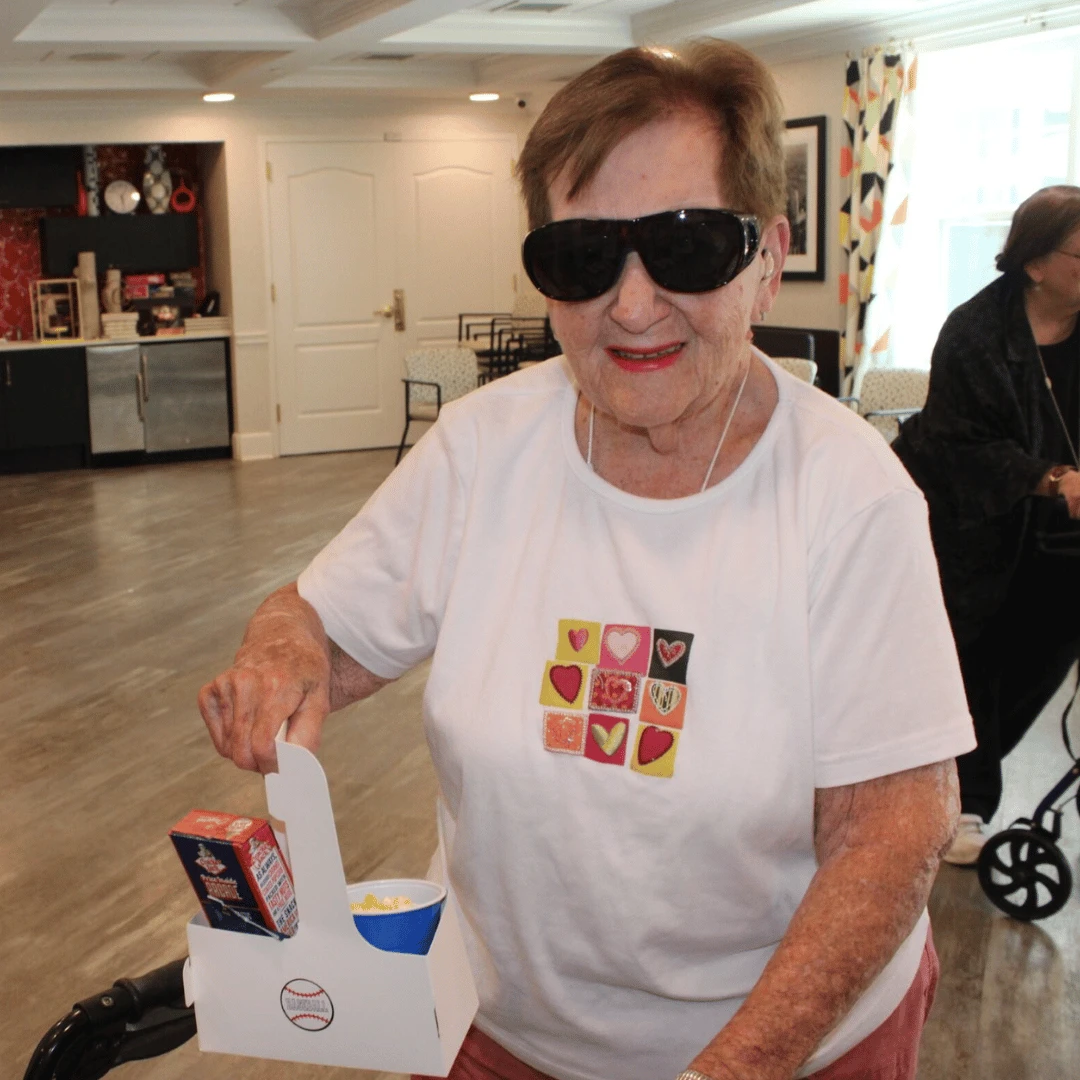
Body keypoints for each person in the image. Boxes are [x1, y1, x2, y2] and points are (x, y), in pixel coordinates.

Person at [200, 41, 973, 1080]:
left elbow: (892, 833)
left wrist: (730, 1070)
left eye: (687, 246)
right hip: (499, 1029)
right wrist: (281, 652)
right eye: (582, 257)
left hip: (785, 1047)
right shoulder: (484, 446)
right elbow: (320, 621)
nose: (634, 304)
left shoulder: (851, 496)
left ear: (767, 257)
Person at [893, 185, 1080, 866]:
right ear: (1036, 263)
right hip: (967, 521)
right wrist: (1052, 479)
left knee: (1048, 647)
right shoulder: (975, 333)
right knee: (976, 658)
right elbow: (959, 446)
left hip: (1055, 532)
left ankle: (959, 780)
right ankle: (965, 803)